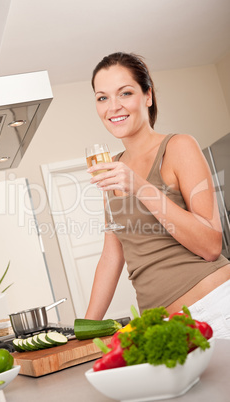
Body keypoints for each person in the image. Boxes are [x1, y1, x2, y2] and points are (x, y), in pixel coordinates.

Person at [84, 52, 230, 339]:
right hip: (162, 327)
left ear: (147, 96)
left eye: (125, 93)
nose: (113, 107)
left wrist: (140, 186)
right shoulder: (113, 166)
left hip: (215, 309)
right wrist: (85, 330)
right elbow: (112, 255)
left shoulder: (178, 147)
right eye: (102, 98)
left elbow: (211, 246)